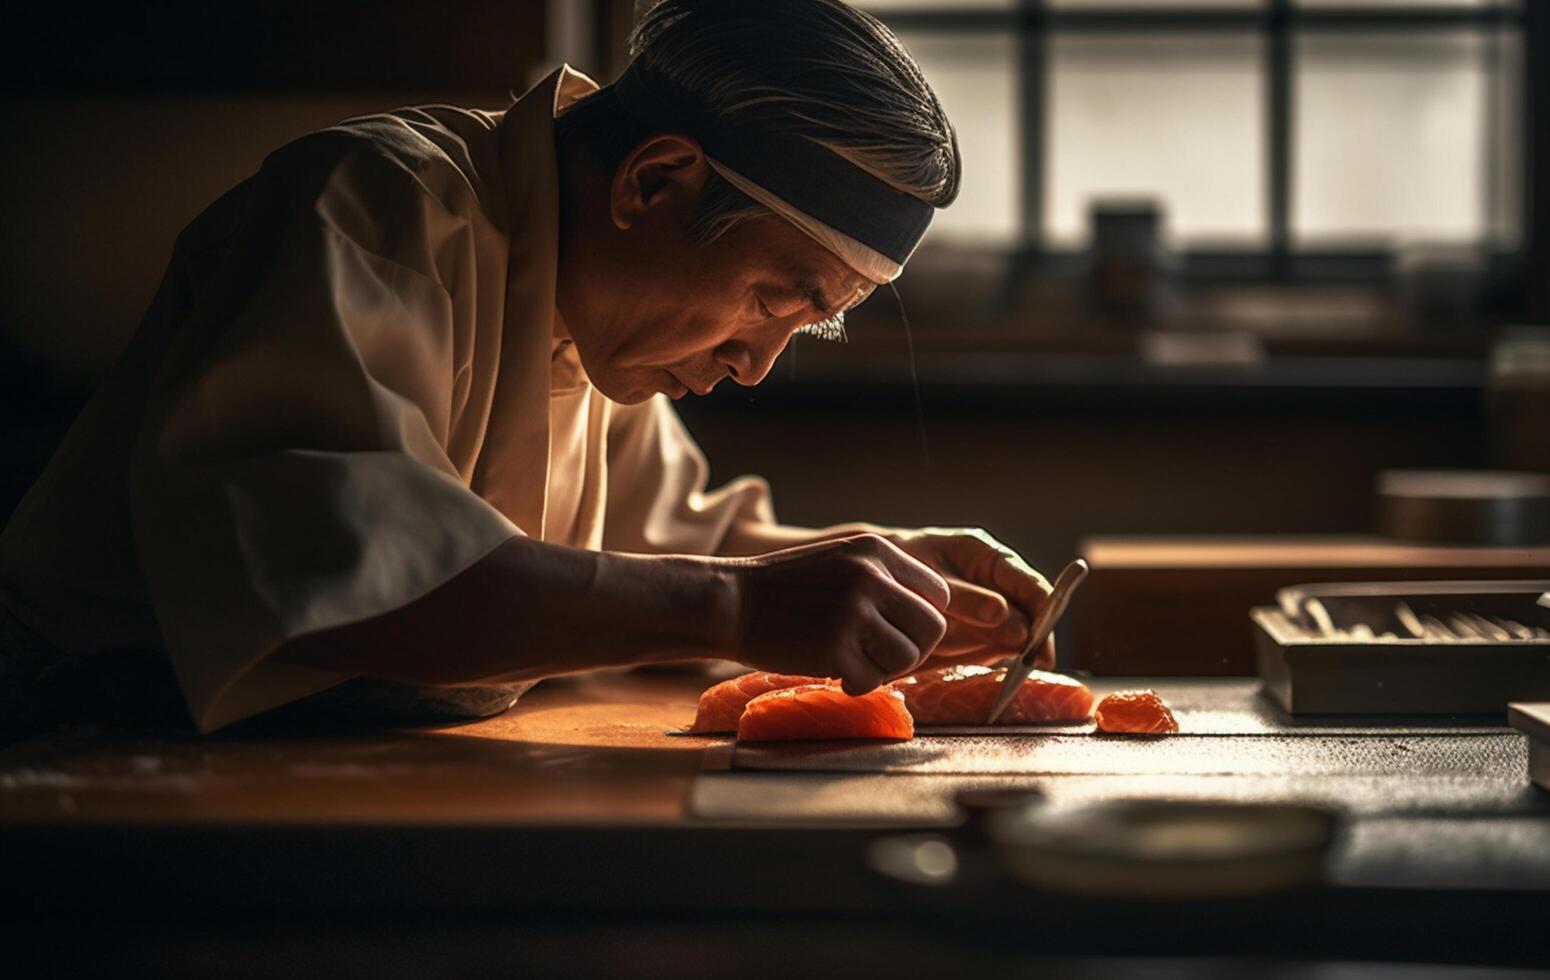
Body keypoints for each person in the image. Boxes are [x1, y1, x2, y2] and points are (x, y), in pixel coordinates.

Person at [0, 0, 1056, 734]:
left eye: (811, 322)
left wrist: (883, 567)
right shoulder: (370, 208)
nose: (754, 363)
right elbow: (353, 583)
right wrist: (742, 604)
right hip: (94, 737)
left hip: (352, 753)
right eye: (775, 297)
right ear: (654, 183)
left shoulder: (602, 318)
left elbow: (668, 549)